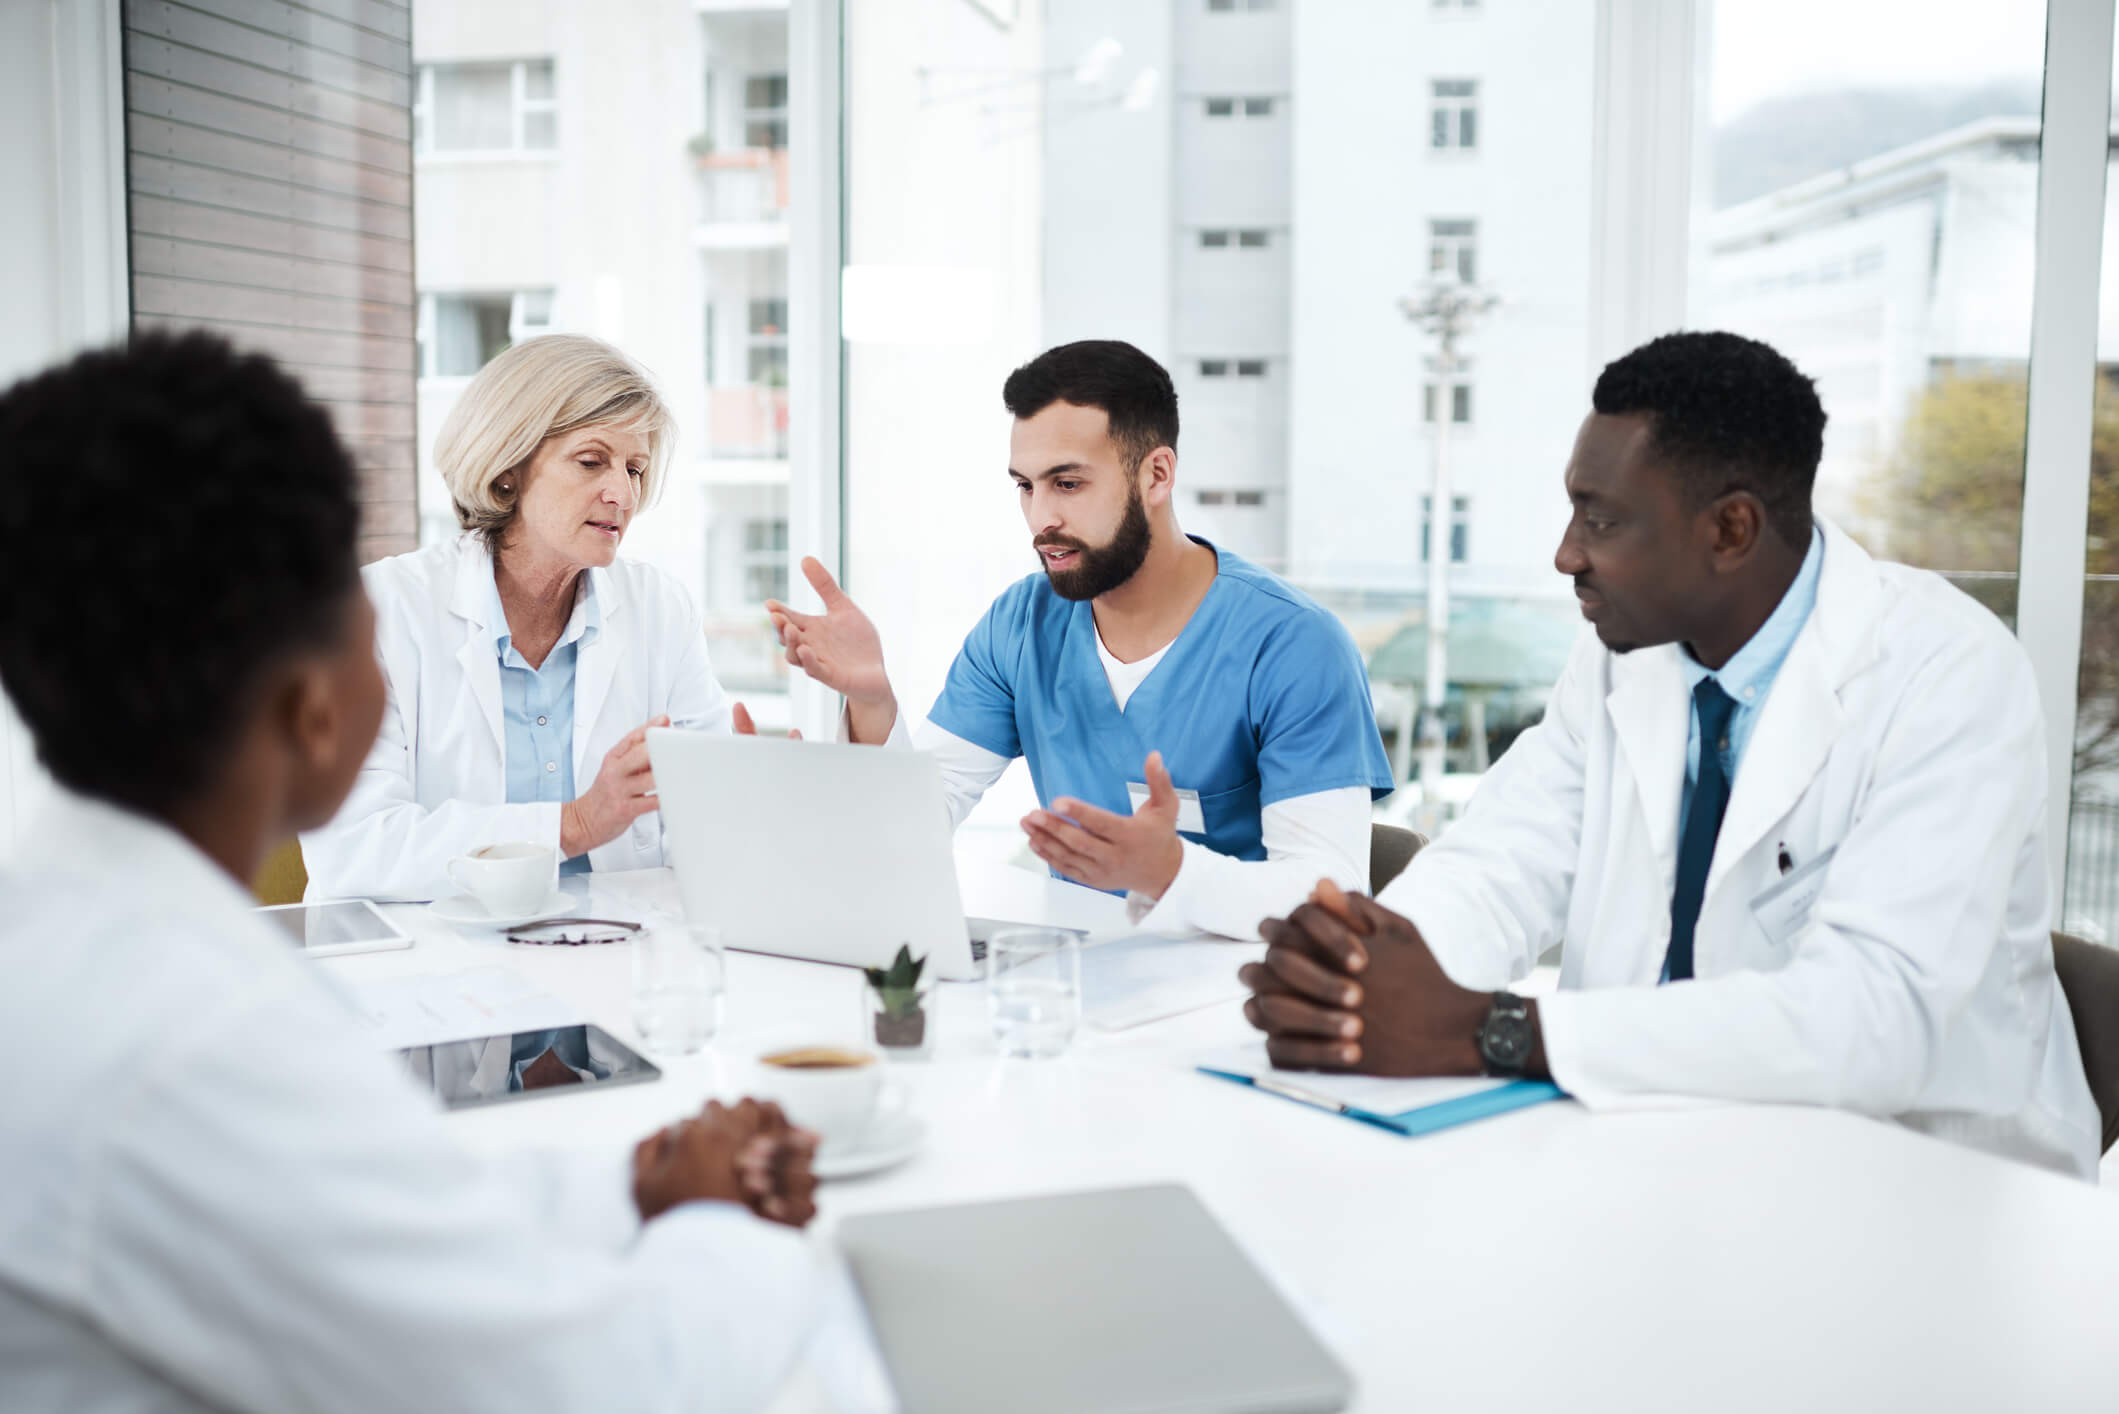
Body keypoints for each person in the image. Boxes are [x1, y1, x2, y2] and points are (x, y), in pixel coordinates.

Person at [0, 333, 826, 1411]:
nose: (620, 489)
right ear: (313, 699)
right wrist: (732, 1218)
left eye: (634, 467)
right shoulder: (208, 1038)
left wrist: (634, 1181)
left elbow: (381, 1206)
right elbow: (584, 1381)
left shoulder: (78, 939)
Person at [1239, 330, 2102, 1179]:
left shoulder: (1946, 674)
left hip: (1921, 1184)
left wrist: (1490, 1029)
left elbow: (1875, 1020)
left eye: (1602, 519)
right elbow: (1501, 863)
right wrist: (1364, 972)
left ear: (1729, 530)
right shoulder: (1626, 655)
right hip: (1660, 1148)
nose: (1566, 553)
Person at [768, 340, 1393, 939]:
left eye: (1067, 484)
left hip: (1238, 998)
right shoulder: (1020, 625)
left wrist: (1170, 872)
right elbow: (911, 828)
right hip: (1078, 983)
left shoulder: (1295, 647)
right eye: (1025, 486)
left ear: (1156, 475)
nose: (1042, 519)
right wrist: (874, 699)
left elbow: (1332, 900)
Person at [302, 334, 781, 902]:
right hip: (428, 965)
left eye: (634, 469)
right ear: (508, 468)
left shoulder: (660, 609)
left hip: (611, 955)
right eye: (591, 461)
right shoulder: (380, 610)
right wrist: (573, 825)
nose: (622, 495)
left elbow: (700, 835)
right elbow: (351, 848)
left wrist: (752, 800)